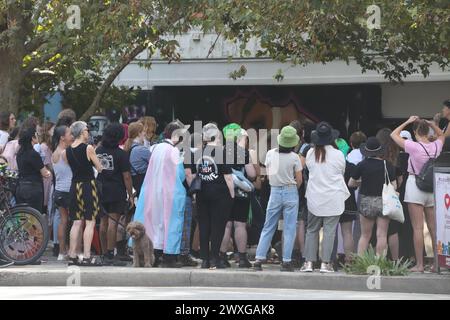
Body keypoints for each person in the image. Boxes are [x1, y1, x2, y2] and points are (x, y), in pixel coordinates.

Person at [391, 116, 445, 272]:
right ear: (427, 131)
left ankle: (420, 264)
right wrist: (432, 124)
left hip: (415, 186)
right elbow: (441, 135)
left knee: (417, 229)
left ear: (415, 132)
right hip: (432, 187)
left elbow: (393, 135)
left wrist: (408, 122)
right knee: (434, 229)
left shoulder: (414, 147)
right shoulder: (436, 146)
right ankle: (437, 264)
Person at [132, 121, 189, 268]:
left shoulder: (155, 148)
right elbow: (180, 175)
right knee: (171, 224)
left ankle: (155, 256)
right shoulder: (174, 151)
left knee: (155, 224)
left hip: (152, 191)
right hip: (170, 193)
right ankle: (170, 257)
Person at [300, 122, 349, 273]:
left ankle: (308, 263)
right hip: (333, 198)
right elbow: (341, 172)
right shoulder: (338, 154)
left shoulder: (310, 153)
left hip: (314, 197)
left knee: (311, 230)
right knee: (329, 232)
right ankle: (325, 263)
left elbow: (308, 170)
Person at [253, 125, 302, 272]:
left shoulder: (270, 154)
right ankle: (286, 261)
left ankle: (259, 258)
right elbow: (299, 179)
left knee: (268, 226)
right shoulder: (295, 158)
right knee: (289, 228)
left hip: (274, 191)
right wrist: (292, 188)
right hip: (290, 191)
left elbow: (268, 173)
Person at [348, 137, 396, 257]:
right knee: (382, 235)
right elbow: (394, 185)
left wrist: (362, 182)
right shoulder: (387, 165)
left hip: (366, 201)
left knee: (365, 235)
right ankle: (380, 263)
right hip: (383, 202)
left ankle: (361, 264)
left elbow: (351, 183)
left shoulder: (362, 165)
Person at [197, 123, 235, 269]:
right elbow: (228, 177)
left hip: (202, 193)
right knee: (218, 227)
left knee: (204, 226)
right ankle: (215, 258)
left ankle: (205, 259)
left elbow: (194, 174)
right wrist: (232, 195)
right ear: (217, 136)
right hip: (220, 194)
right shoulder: (221, 152)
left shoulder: (197, 153)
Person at [65, 121, 103, 266]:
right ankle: (87, 256)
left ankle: (72, 255)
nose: (88, 132)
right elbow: (99, 168)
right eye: (87, 130)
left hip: (74, 186)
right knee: (90, 221)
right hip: (88, 185)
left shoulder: (67, 151)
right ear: (82, 132)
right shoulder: (88, 148)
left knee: (76, 222)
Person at [219, 124, 257, 268]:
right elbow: (252, 174)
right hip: (241, 193)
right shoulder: (242, 152)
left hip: (224, 193)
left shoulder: (220, 151)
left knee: (226, 225)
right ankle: (242, 258)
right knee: (240, 224)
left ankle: (222, 257)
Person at [97, 123, 134, 266]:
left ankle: (104, 253)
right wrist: (130, 195)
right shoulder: (121, 154)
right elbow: (126, 177)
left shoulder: (98, 150)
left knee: (103, 222)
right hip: (116, 190)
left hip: (101, 189)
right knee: (113, 222)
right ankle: (111, 253)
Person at [376, 128, 401, 260]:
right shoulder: (396, 156)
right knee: (392, 230)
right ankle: (395, 260)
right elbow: (399, 179)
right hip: (391, 196)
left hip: (375, 195)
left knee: (378, 232)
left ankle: (378, 260)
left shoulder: (375, 155)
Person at [15, 127, 51, 213]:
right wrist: (49, 172)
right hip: (33, 188)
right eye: (36, 135)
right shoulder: (34, 154)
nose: (38, 136)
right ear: (32, 138)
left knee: (23, 217)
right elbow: (45, 173)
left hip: (20, 187)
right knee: (34, 217)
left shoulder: (19, 153)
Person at [51, 126, 73, 261]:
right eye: (69, 134)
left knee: (63, 221)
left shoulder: (55, 153)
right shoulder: (65, 153)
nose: (72, 136)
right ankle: (71, 250)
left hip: (58, 190)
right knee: (73, 222)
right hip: (68, 190)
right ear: (62, 137)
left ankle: (61, 251)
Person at [123, 121, 151, 197]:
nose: (145, 134)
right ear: (139, 133)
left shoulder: (127, 146)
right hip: (143, 184)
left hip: (133, 183)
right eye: (143, 131)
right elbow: (155, 163)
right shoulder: (141, 149)